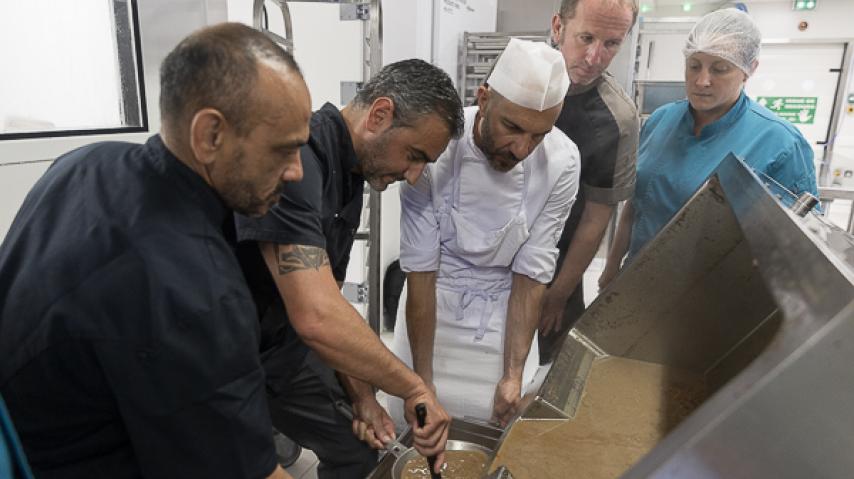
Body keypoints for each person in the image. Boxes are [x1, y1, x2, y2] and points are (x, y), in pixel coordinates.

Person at [0, 23, 310, 478]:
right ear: (210, 135)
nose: (297, 171)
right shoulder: (197, 290)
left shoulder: (83, 164)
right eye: (284, 150)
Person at [234, 59, 463, 477]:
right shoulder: (299, 159)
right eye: (414, 156)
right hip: (223, 357)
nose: (414, 176)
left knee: (360, 449)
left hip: (282, 351)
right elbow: (317, 316)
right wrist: (413, 387)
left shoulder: (351, 176)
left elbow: (331, 300)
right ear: (380, 115)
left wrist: (363, 396)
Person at [390, 38, 581, 426]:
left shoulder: (563, 162)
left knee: (497, 433)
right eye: (513, 127)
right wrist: (422, 382)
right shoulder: (438, 144)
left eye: (539, 135)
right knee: (413, 428)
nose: (522, 148)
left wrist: (512, 374)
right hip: (429, 310)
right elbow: (421, 270)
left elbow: (532, 273)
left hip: (504, 321)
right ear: (484, 98)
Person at [599, 8, 819, 285]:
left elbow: (798, 244)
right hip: (636, 281)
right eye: (694, 66)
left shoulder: (780, 142)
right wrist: (611, 268)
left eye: (719, 69)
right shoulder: (661, 120)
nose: (702, 81)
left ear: (749, 70)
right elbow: (636, 205)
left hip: (714, 295)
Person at [537, 0, 640, 365]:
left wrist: (558, 294)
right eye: (586, 38)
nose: (595, 57)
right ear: (558, 27)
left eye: (611, 44)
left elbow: (596, 219)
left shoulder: (617, 120)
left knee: (543, 369)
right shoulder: (517, 76)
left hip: (557, 264)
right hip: (487, 258)